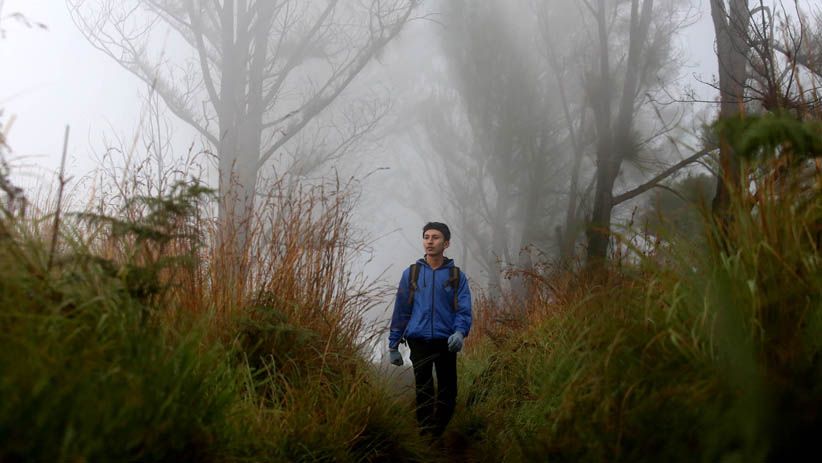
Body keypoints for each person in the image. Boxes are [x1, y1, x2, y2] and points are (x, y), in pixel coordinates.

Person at [388, 222, 472, 437]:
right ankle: (426, 436)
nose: (430, 241)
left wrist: (460, 332)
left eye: (435, 237)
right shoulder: (412, 273)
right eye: (426, 237)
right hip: (419, 340)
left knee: (448, 392)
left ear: (446, 243)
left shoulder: (456, 276)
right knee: (424, 390)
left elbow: (463, 309)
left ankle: (437, 431)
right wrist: (393, 345)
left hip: (446, 341)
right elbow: (401, 310)